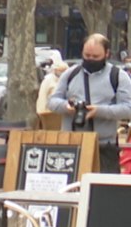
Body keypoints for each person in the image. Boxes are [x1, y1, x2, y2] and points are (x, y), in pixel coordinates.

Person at [49, 33, 131, 173]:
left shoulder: (118, 76)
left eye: (95, 57)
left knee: (105, 191)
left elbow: (128, 108)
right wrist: (66, 107)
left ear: (107, 53)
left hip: (104, 146)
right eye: (87, 55)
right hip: (71, 145)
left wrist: (99, 111)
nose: (90, 59)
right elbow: (52, 102)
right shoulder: (70, 74)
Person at [36, 60, 67, 131]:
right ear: (55, 70)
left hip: (62, 114)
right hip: (49, 114)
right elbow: (42, 97)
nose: (62, 72)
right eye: (61, 70)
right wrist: (41, 113)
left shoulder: (65, 80)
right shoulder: (48, 80)